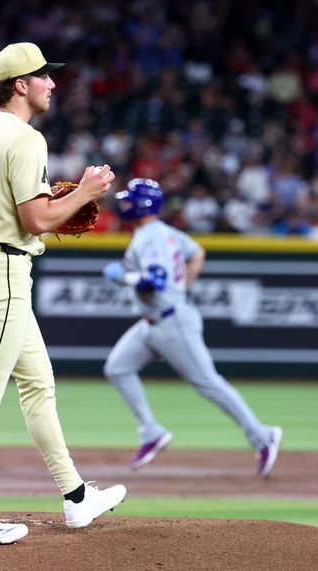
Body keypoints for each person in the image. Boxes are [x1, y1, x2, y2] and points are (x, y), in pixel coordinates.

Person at [0, 43, 126, 547]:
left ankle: (77, 496)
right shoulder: (25, 138)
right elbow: (37, 220)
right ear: (20, 85)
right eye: (44, 76)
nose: (52, 83)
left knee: (39, 384)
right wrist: (85, 193)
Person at [102, 178, 283, 476]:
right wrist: (182, 287)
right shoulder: (166, 233)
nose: (123, 204)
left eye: (128, 199)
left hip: (172, 323)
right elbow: (197, 253)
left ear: (141, 204)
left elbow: (154, 281)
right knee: (118, 367)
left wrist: (123, 277)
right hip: (153, 323)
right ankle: (151, 432)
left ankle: (263, 435)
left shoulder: (150, 237)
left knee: (209, 383)